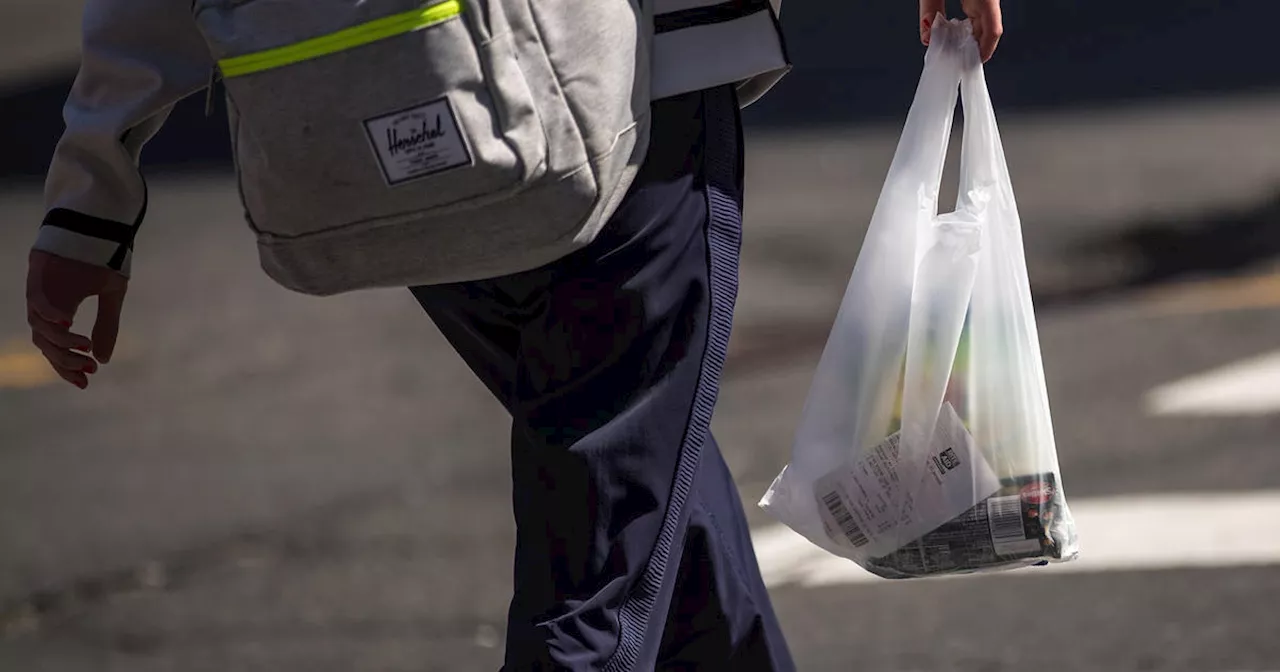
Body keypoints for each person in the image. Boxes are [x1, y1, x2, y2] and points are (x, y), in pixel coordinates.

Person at [24, 0, 1001, 668]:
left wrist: (91, 194)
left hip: (390, 119)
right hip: (624, 106)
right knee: (601, 568)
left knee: (646, 490)